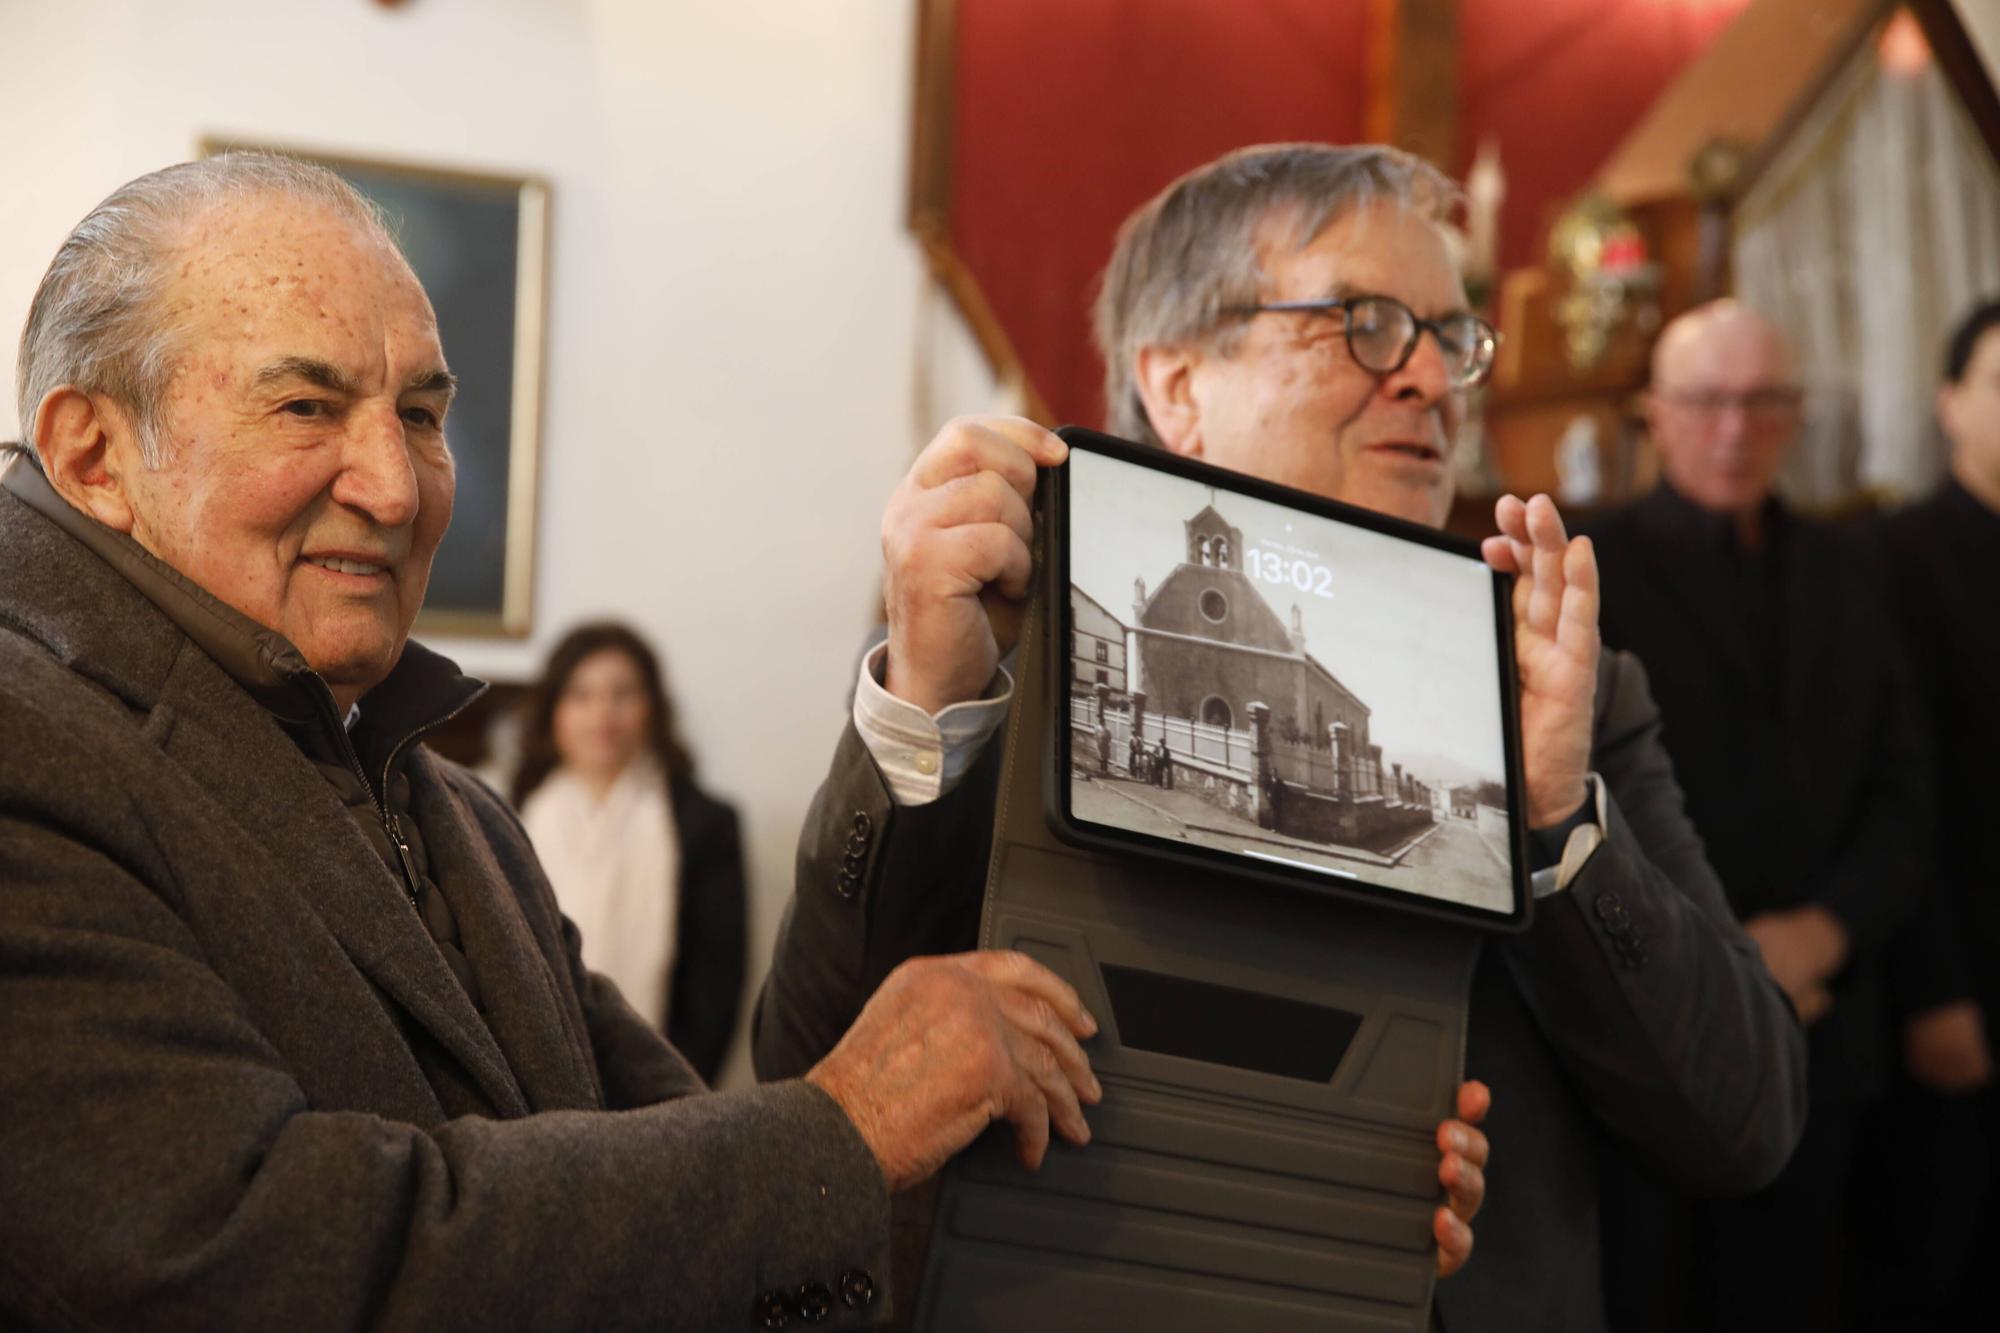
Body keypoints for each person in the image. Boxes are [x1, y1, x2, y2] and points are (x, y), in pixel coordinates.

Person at [0, 154, 1104, 1331]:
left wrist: (930, 688)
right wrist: (846, 1126)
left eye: (420, 416)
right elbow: (239, 1260)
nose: (395, 486)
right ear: (93, 455)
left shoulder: (460, 816)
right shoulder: (29, 746)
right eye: (306, 407)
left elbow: (710, 1186)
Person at [753, 143, 1808, 1332]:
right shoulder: (999, 627)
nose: (1428, 380)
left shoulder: (1560, 684)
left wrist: (1555, 818)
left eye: (1449, 337)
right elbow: (810, 1077)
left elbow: (1744, 1117)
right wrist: (929, 713)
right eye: (1363, 322)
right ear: (1176, 381)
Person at [1584, 301, 1929, 1330]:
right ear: (1653, 411)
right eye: (1704, 402)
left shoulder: (1852, 568)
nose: (1732, 430)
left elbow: (1905, 789)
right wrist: (1725, 952)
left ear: (1793, 415)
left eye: (1760, 403)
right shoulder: (1586, 561)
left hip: (1820, 1015)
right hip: (1641, 1024)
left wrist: (1823, 931)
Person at [1863, 296, 2000, 1325]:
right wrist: (1931, 988)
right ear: (1948, 405)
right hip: (1958, 964)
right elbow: (1896, 791)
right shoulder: (1894, 559)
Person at [513, 621, 747, 1082]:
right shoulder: (510, 813)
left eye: (623, 694)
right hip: (531, 1085)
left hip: (665, 1089)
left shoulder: (705, 822)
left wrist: (678, 1098)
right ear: (553, 711)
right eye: (581, 695)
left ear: (652, 708)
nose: (603, 715)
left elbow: (715, 992)